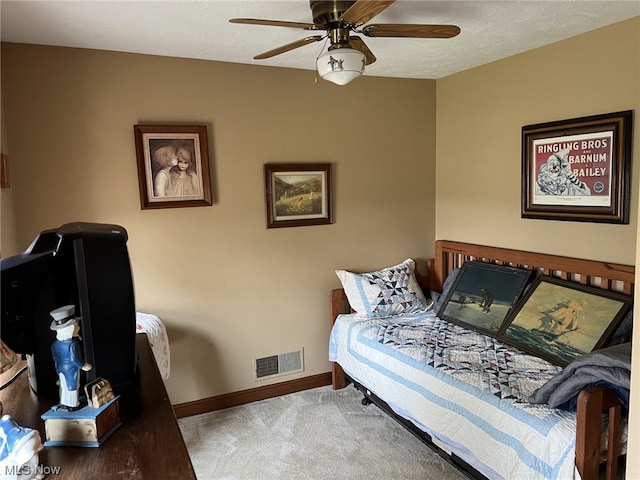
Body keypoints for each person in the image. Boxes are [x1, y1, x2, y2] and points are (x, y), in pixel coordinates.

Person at [50, 305, 92, 411]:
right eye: (76, 325)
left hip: (61, 368)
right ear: (71, 328)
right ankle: (74, 405)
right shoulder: (72, 344)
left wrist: (58, 368)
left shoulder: (55, 344)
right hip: (71, 369)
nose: (78, 327)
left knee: (64, 386)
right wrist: (83, 365)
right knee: (73, 385)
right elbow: (74, 359)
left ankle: (65, 403)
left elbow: (55, 357)